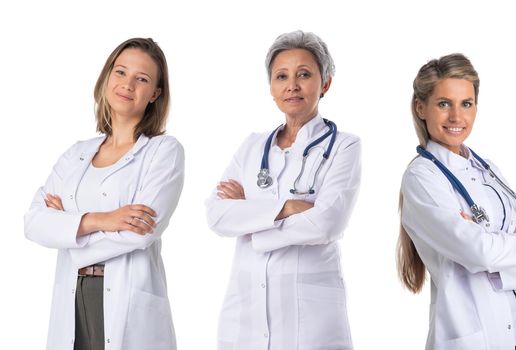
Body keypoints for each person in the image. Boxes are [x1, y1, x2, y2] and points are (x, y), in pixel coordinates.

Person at [24, 38, 184, 350]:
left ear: (155, 93)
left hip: (126, 298)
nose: (128, 84)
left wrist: (68, 229)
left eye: (142, 79)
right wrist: (104, 219)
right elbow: (33, 222)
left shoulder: (163, 152)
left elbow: (140, 233)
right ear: (107, 77)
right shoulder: (76, 155)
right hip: (73, 295)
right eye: (121, 72)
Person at [206, 30, 360, 349]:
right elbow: (217, 216)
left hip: (312, 321)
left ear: (325, 83)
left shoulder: (345, 146)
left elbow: (328, 223)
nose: (292, 85)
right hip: (245, 315)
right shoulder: (252, 146)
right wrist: (289, 207)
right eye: (281, 76)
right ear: (271, 87)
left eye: (304, 74)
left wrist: (251, 221)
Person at [397, 53, 516, 350]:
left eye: (466, 103)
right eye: (444, 104)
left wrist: (498, 250)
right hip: (472, 335)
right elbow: (478, 252)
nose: (457, 117)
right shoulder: (421, 177)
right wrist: (515, 242)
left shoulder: (487, 168)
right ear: (421, 108)